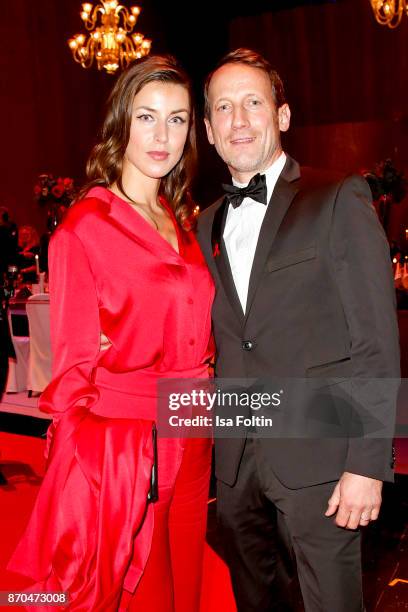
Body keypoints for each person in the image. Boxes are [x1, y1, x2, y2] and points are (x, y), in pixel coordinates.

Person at [8, 55, 214, 611]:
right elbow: (72, 376)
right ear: (121, 122)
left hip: (196, 428)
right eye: (147, 116)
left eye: (177, 119)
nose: (162, 135)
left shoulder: (179, 216)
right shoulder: (85, 229)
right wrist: (87, 478)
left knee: (189, 590)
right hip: (138, 442)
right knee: (149, 595)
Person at [197, 48, 400, 612]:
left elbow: (376, 343)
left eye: (253, 103)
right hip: (235, 466)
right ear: (209, 130)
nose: (239, 120)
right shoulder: (204, 221)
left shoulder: (337, 197)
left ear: (282, 116)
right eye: (223, 108)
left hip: (321, 460)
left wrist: (366, 464)